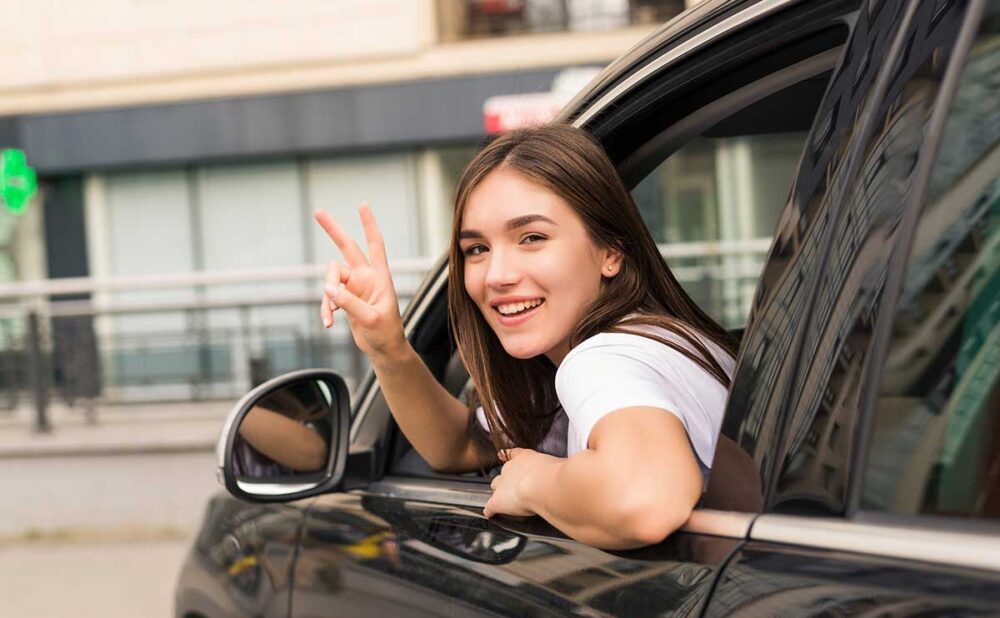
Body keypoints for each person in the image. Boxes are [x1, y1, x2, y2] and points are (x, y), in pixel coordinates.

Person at [315, 124, 737, 549]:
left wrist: (534, 480)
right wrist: (387, 345)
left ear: (611, 251)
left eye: (532, 238)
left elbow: (643, 501)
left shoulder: (604, 359)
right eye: (477, 249)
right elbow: (459, 445)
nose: (497, 275)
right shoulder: (648, 345)